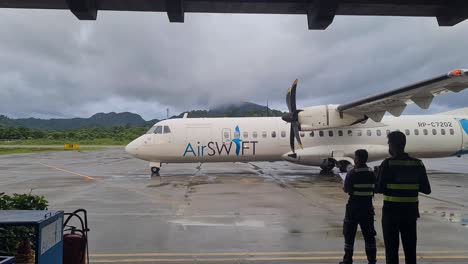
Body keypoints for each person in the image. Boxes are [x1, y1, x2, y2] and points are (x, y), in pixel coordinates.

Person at [376, 131, 431, 264]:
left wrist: (377, 175)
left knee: (392, 251)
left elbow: (378, 189)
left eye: (389, 143)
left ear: (393, 145)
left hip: (391, 214)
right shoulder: (418, 164)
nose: (388, 146)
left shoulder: (387, 164)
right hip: (410, 214)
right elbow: (427, 190)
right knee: (410, 250)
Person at [340, 149, 377, 264]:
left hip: (354, 208)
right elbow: (375, 187)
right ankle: (371, 260)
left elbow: (346, 189)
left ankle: (348, 259)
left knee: (349, 234)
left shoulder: (352, 173)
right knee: (369, 235)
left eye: (355, 158)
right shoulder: (371, 172)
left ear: (358, 159)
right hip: (367, 207)